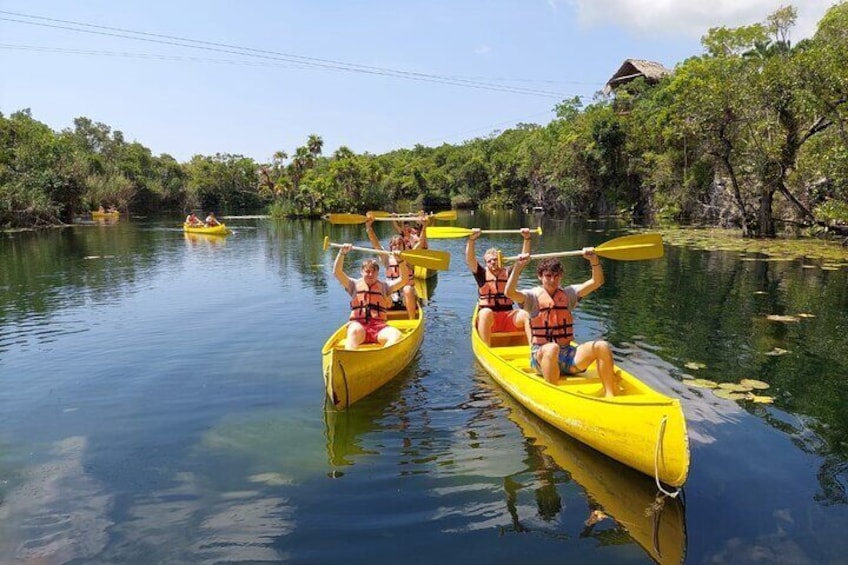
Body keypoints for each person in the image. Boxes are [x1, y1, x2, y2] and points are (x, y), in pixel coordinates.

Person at [504, 250, 620, 397]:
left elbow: (597, 282)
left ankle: (610, 394)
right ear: (540, 276)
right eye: (548, 276)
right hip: (541, 356)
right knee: (552, 348)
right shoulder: (531, 297)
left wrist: (594, 260)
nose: (552, 280)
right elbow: (509, 293)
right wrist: (518, 267)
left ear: (561, 276)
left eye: (556, 276)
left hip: (568, 355)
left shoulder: (568, 294)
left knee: (602, 346)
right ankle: (554, 395)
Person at [333, 243, 409, 350]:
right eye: (367, 271)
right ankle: (349, 357)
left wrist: (400, 261)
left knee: (396, 335)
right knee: (354, 330)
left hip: (379, 327)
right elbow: (337, 273)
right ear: (361, 272)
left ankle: (382, 357)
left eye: (373, 272)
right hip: (359, 326)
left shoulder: (384, 287)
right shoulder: (353, 285)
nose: (370, 275)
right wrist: (342, 253)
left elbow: (404, 280)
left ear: (378, 273)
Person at [466, 227, 532, 346]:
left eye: (496, 260)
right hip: (490, 319)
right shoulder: (481, 274)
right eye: (490, 261)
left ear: (502, 260)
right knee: (485, 312)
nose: (493, 263)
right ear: (486, 263)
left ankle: (534, 350)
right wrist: (471, 240)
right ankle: (486, 348)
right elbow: (470, 259)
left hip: (508, 316)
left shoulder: (508, 273)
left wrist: (527, 238)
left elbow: (523, 260)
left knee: (525, 315)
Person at [365, 212, 425, 319]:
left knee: (407, 289)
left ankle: (411, 320)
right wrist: (369, 227)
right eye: (394, 246)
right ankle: (382, 320)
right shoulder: (387, 258)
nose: (396, 247)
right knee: (380, 288)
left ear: (404, 247)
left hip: (407, 294)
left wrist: (424, 226)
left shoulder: (409, 258)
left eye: (399, 245)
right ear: (390, 248)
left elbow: (420, 244)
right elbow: (376, 244)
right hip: (392, 294)